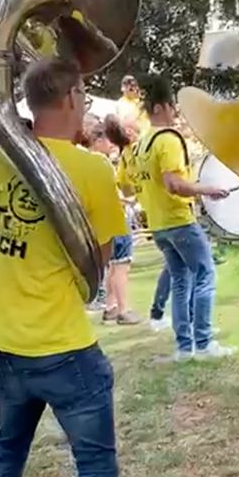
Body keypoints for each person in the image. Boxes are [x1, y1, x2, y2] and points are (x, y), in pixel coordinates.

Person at [0, 59, 125, 477]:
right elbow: (95, 265)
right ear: (71, 98)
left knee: (8, 452)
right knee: (97, 467)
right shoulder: (91, 169)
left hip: (1, 342)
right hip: (61, 348)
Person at [123, 75, 233, 360]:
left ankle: (185, 347)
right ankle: (205, 342)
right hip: (178, 219)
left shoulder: (139, 145)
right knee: (205, 275)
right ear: (160, 107)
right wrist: (206, 189)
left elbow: (132, 184)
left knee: (181, 280)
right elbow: (173, 183)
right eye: (172, 106)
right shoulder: (168, 140)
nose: (175, 112)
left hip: (158, 225)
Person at [102, 115, 142, 324]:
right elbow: (119, 190)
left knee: (113, 265)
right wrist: (129, 199)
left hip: (107, 219)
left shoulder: (116, 158)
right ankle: (124, 309)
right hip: (117, 216)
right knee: (121, 265)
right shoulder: (102, 163)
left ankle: (111, 307)